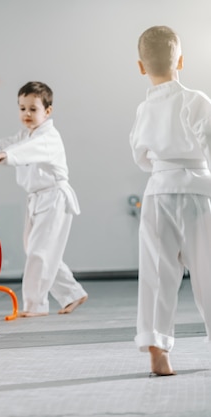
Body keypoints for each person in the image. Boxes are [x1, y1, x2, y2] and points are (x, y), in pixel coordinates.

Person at [0, 81, 88, 318]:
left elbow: (27, 150)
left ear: (47, 111)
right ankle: (72, 293)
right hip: (37, 199)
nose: (26, 113)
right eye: (22, 108)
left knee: (40, 252)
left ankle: (35, 304)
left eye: (33, 109)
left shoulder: (48, 137)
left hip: (54, 198)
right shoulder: (25, 135)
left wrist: (7, 155)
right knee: (39, 250)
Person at [130, 25, 211, 376]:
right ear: (181, 59)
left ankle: (157, 347)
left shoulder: (143, 110)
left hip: (159, 190)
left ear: (141, 67)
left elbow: (140, 156)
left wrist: (162, 169)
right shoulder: (196, 100)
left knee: (157, 273)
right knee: (208, 271)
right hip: (198, 191)